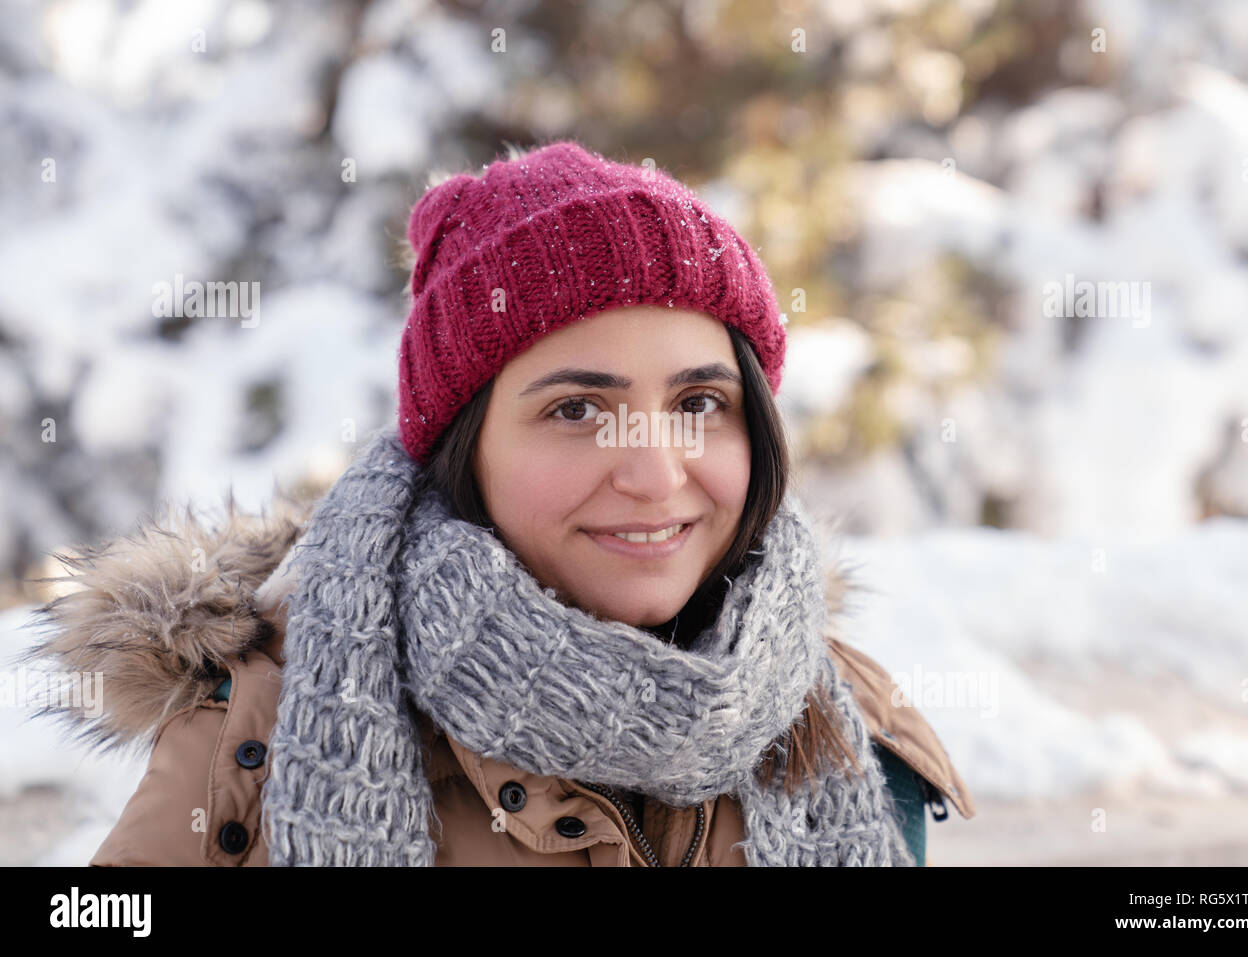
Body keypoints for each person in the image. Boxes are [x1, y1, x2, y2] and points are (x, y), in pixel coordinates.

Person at [27, 140, 974, 866]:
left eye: (698, 403)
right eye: (576, 409)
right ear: (461, 449)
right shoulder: (256, 736)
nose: (655, 473)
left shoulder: (846, 725)